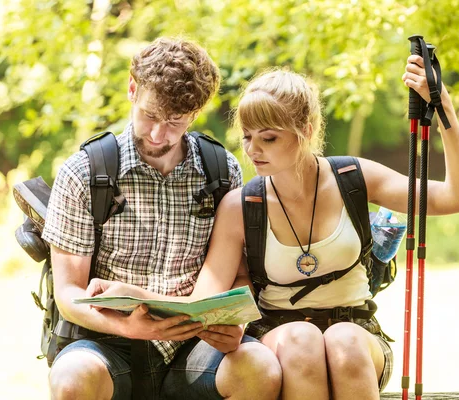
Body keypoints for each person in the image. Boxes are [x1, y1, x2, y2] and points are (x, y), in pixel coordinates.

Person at [89, 56, 459, 399]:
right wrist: (133, 296)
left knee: (343, 342)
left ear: (306, 130)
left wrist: (442, 108)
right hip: (281, 337)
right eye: (247, 138)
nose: (253, 150)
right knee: (301, 339)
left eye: (269, 138)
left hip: (358, 336)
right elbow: (202, 304)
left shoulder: (354, 178)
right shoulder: (241, 206)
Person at [42, 37, 282, 400]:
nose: (158, 134)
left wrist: (235, 322)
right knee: (73, 378)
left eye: (175, 122)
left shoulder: (220, 173)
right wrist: (131, 328)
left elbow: (239, 276)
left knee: (259, 367)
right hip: (106, 346)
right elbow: (68, 294)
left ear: (195, 113)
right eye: (150, 115)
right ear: (132, 89)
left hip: (194, 348)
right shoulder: (85, 173)